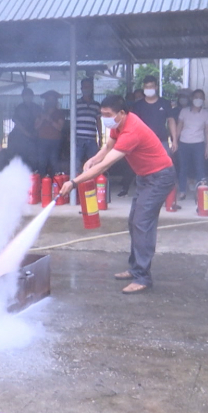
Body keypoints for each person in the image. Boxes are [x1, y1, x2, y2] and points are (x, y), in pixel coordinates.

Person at [58, 95, 175, 294]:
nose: (104, 118)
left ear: (122, 113)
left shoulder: (132, 130)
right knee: (134, 222)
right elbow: (107, 146)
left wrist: (74, 182)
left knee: (142, 223)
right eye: (102, 114)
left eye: (108, 114)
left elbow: (107, 164)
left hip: (159, 177)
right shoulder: (118, 124)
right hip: (145, 177)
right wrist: (93, 159)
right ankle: (135, 267)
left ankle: (143, 277)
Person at [131, 76, 178, 208]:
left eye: (151, 87)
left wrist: (174, 140)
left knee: (167, 170)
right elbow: (133, 125)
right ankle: (145, 197)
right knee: (144, 171)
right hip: (143, 145)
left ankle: (169, 200)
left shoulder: (164, 103)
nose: (149, 89)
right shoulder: (138, 105)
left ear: (156, 87)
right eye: (146, 87)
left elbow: (171, 121)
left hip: (162, 141)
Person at [175, 89, 208, 199]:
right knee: (183, 168)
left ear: (204, 100)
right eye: (196, 97)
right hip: (184, 143)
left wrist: (207, 147)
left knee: (200, 168)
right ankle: (182, 191)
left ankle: (200, 192)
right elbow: (179, 127)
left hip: (198, 144)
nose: (198, 99)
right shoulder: (184, 111)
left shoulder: (205, 114)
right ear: (192, 98)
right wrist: (175, 141)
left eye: (201, 97)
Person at [8, 87, 41, 171]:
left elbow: (41, 120)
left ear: (32, 96)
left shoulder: (36, 107)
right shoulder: (19, 108)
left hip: (33, 139)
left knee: (33, 160)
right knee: (20, 159)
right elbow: (17, 123)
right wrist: (27, 134)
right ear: (22, 96)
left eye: (29, 95)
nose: (28, 97)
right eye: (25, 95)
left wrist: (35, 132)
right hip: (20, 138)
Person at [75, 78, 103, 174]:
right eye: (85, 87)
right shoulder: (76, 103)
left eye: (88, 87)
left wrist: (100, 137)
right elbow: (72, 121)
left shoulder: (96, 105)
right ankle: (76, 186)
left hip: (91, 139)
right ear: (81, 88)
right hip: (78, 138)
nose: (86, 89)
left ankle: (94, 184)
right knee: (76, 163)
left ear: (91, 88)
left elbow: (98, 121)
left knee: (94, 163)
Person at [36, 90, 65, 176]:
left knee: (54, 162)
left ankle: (56, 183)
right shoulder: (40, 113)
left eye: (52, 100)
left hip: (55, 141)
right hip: (42, 140)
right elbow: (36, 127)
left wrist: (50, 120)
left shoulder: (59, 113)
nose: (50, 102)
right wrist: (42, 119)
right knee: (42, 162)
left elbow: (60, 127)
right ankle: (41, 183)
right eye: (49, 100)